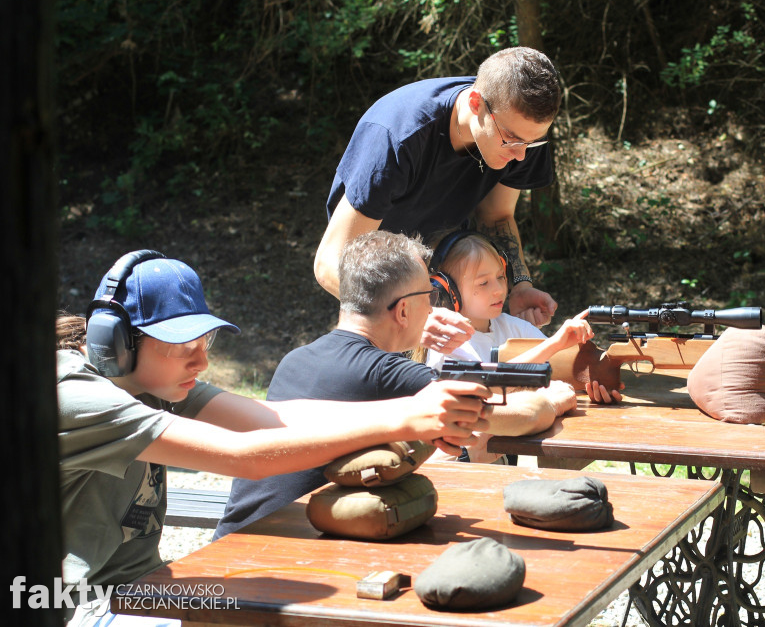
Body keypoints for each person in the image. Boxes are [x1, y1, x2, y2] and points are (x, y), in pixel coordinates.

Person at [56, 251, 491, 622]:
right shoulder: (75, 396)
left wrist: (414, 408)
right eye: (180, 346)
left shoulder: (150, 379)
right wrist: (406, 418)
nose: (200, 362)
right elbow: (241, 456)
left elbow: (274, 417)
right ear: (115, 344)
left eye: (204, 342)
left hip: (140, 590)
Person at [214, 231, 577, 538]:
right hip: (295, 551)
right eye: (428, 299)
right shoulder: (389, 374)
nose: (435, 308)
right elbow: (511, 419)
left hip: (236, 539)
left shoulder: (295, 360)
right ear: (403, 311)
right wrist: (555, 400)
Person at [313, 46, 561, 356]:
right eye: (510, 139)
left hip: (445, 287)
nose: (521, 155)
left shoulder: (520, 132)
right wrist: (413, 317)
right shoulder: (397, 138)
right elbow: (330, 264)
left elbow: (497, 216)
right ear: (476, 104)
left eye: (533, 142)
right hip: (379, 288)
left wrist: (520, 284)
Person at [424, 230, 624, 409]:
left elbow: (563, 369)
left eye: (501, 277)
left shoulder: (513, 327)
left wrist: (596, 384)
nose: (499, 289)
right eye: (483, 283)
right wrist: (554, 343)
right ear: (448, 292)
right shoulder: (445, 344)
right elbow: (486, 390)